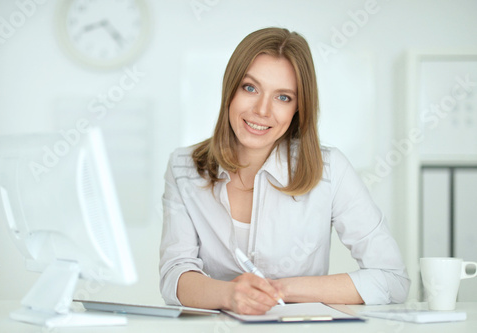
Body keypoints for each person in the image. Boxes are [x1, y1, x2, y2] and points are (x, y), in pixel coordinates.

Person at [159, 27, 410, 315]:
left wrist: (279, 289)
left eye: (283, 97)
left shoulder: (330, 170)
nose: (262, 110)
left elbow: (392, 280)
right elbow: (174, 275)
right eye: (250, 88)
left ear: (298, 109)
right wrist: (230, 294)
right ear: (230, 89)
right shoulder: (184, 167)